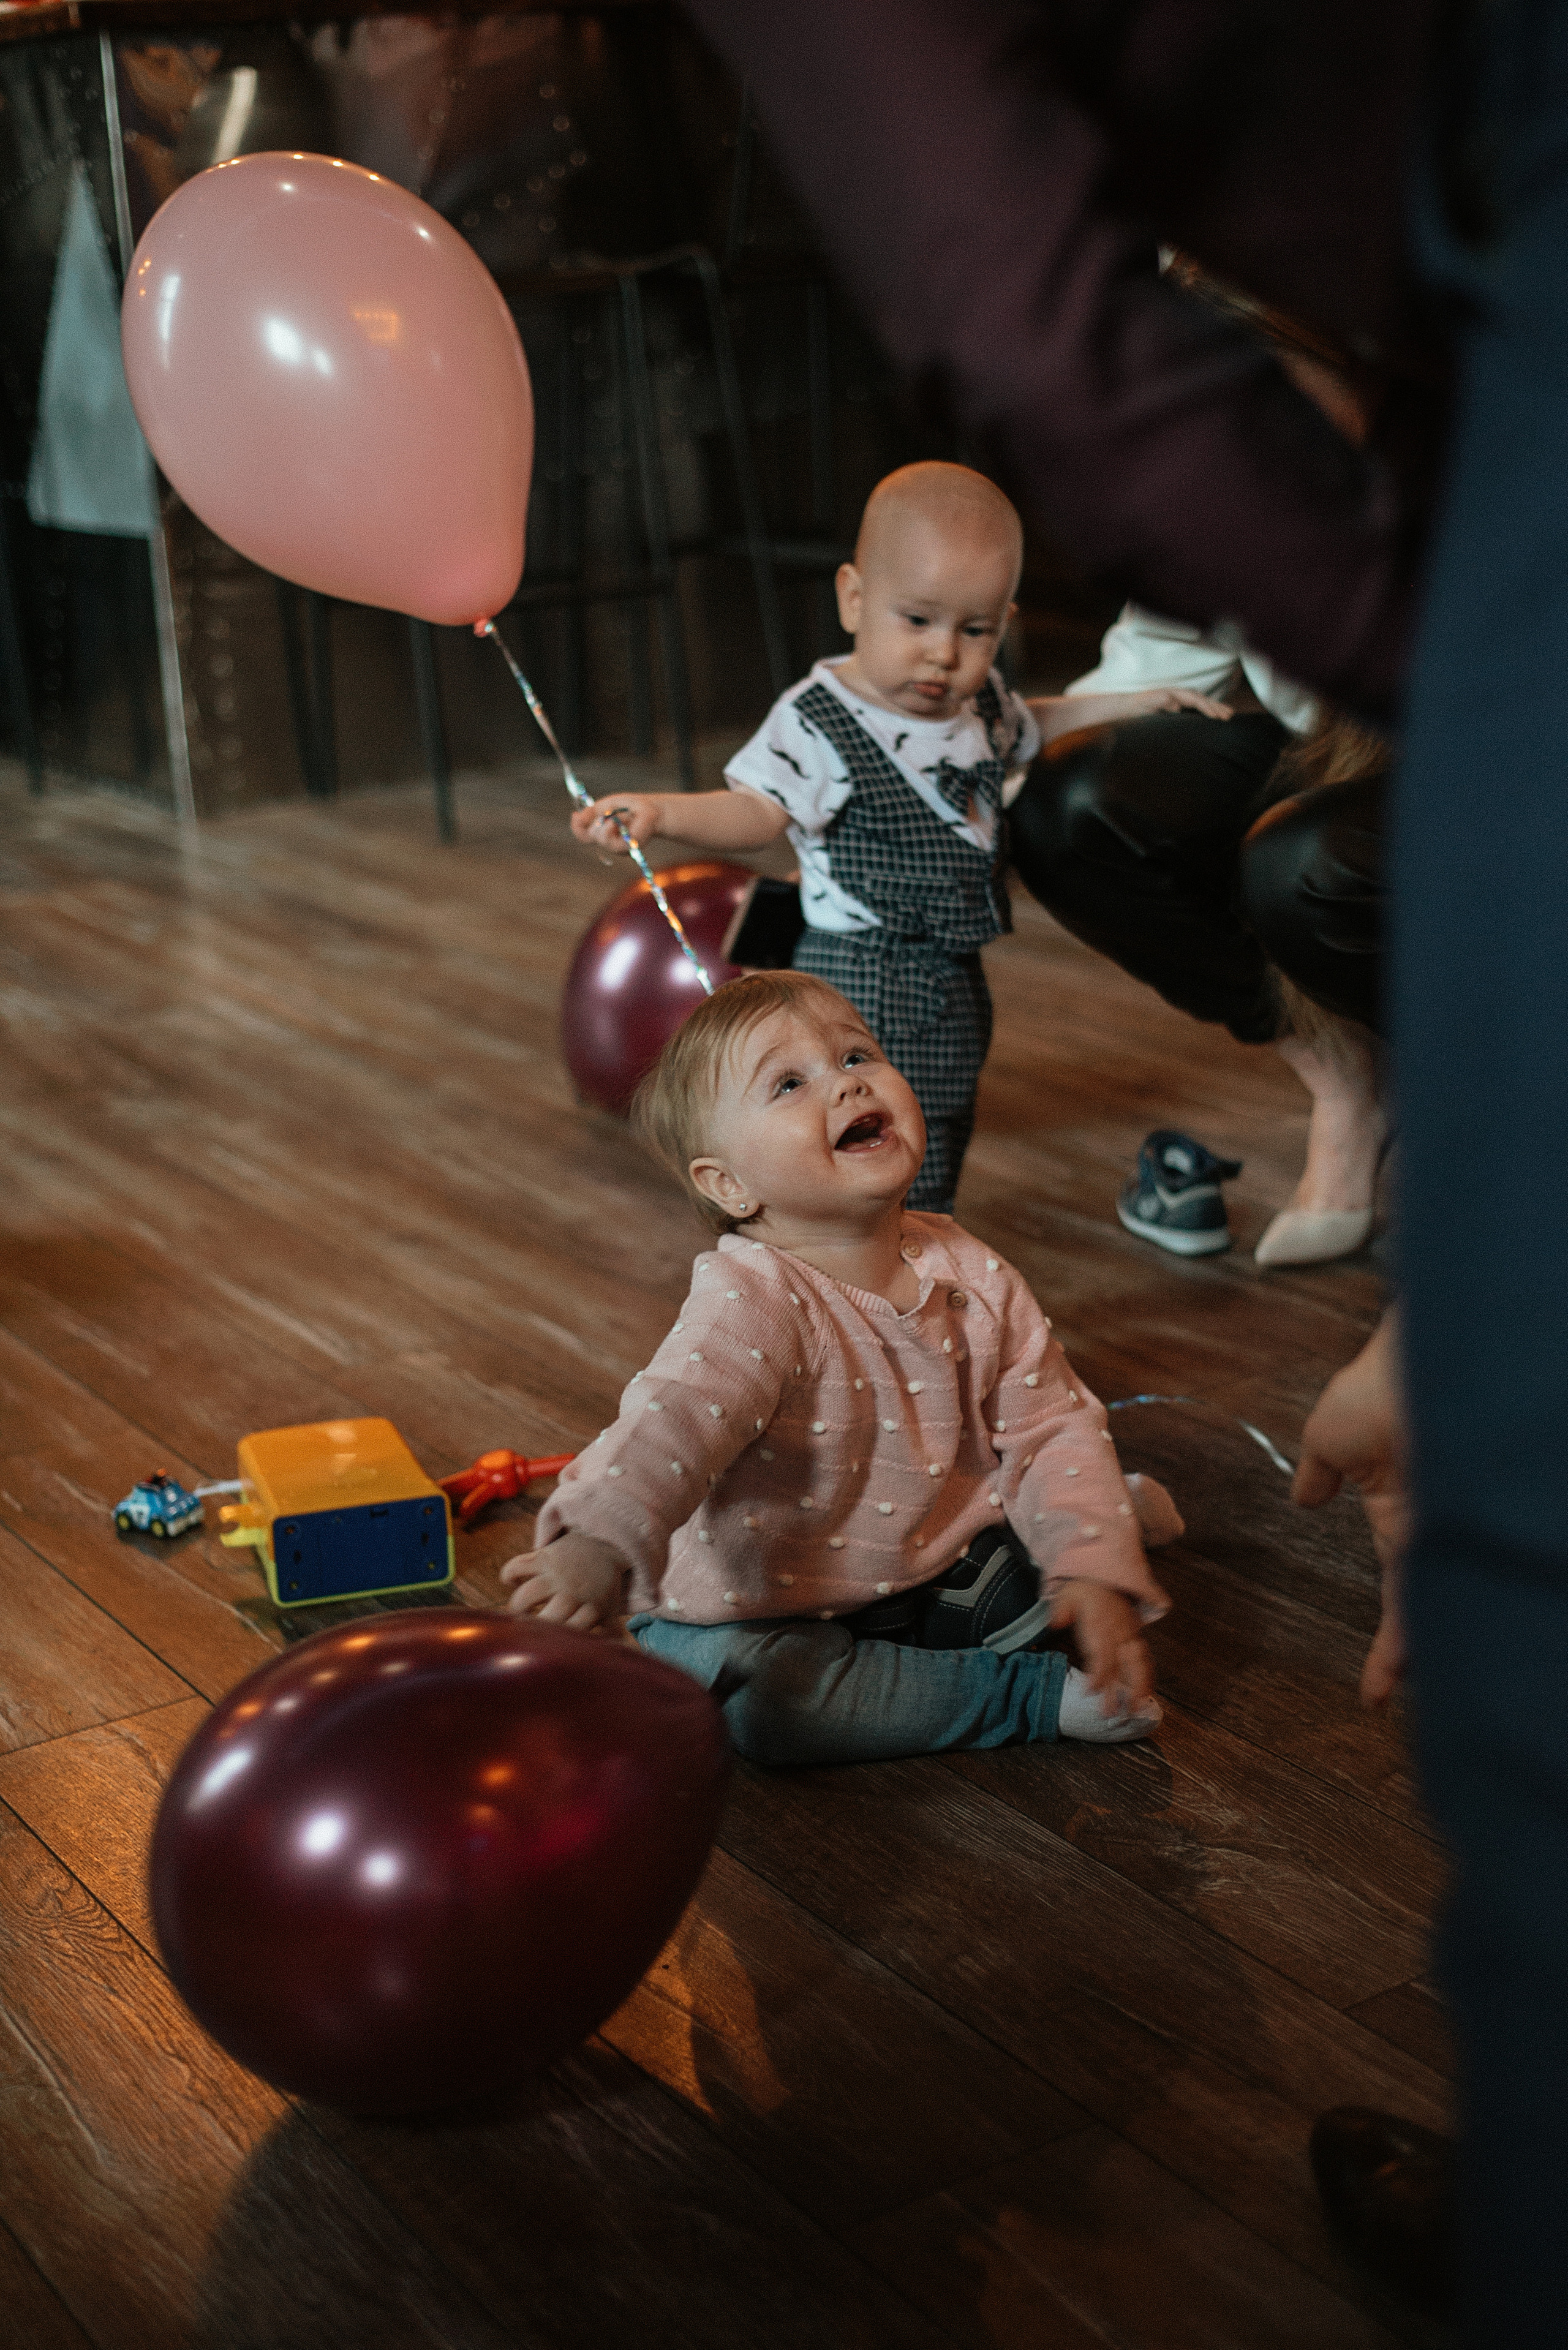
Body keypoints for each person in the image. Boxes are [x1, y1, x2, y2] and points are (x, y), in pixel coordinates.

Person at [500, 970, 1185, 1763]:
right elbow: (671, 1424)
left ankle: (1099, 1524)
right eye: (788, 1083)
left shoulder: (972, 1268)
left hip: (925, 1557)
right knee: (759, 1708)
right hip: (751, 1607)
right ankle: (1022, 1697)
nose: (846, 1081)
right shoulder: (754, 1301)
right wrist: (599, 1545)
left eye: (857, 1053)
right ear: (731, 1186)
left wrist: (1092, 1573)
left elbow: (1049, 1424)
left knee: (1068, 1570)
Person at [568, 461, 1227, 1213]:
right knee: (852, 1139)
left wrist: (1134, 704)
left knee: (935, 1129)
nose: (943, 655)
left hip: (952, 973)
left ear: (1003, 626)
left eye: (973, 631)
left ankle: (923, 1253)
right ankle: (850, 1274)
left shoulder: (977, 705)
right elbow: (756, 809)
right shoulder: (817, 717)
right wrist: (663, 813)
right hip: (859, 969)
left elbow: (1030, 725)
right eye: (916, 621)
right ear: (854, 598)